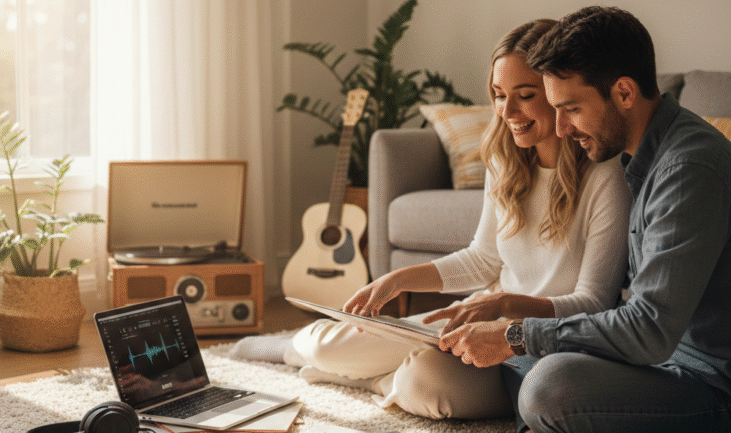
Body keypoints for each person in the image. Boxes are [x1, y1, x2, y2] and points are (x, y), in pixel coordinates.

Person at [231, 19, 631, 421]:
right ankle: (295, 348)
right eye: (497, 94)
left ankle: (366, 379)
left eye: (525, 95)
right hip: (479, 318)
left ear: (558, 91)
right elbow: (482, 260)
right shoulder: (505, 159)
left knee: (428, 386)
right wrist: (396, 280)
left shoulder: (605, 176)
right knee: (330, 345)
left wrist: (503, 303)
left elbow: (593, 303)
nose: (507, 112)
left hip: (536, 345)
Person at [464, 6, 731, 433]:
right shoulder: (643, 157)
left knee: (548, 386)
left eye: (570, 108)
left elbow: (648, 330)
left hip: (725, 387)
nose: (563, 128)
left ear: (624, 93)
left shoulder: (687, 170)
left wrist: (518, 334)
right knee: (541, 359)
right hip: (666, 361)